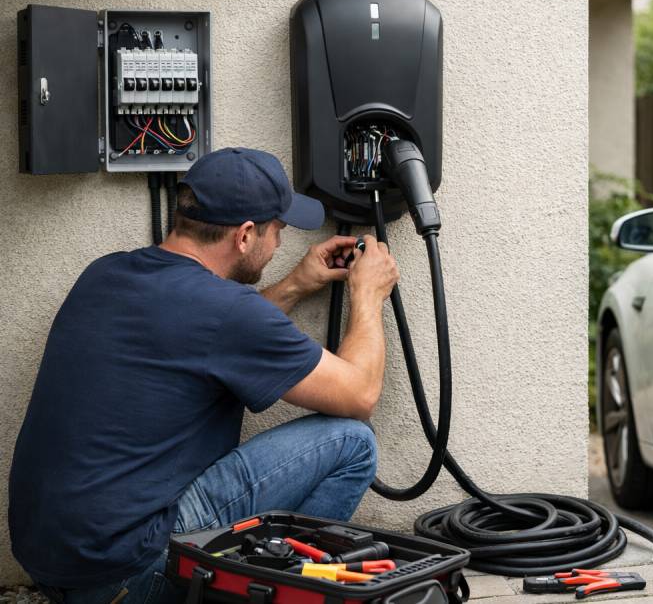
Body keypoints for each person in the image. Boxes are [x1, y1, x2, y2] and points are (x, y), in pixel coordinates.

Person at [8, 147, 399, 604]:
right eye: (279, 230)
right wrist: (367, 293)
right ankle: (279, 589)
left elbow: (210, 338)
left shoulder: (105, 273)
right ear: (246, 235)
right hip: (130, 573)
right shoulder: (228, 312)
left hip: (54, 565)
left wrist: (294, 285)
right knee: (352, 441)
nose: (279, 244)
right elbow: (361, 393)